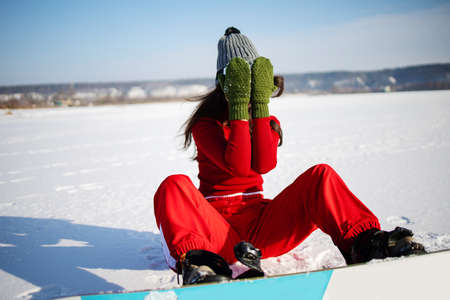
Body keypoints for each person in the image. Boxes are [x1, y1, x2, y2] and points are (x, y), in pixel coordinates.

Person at [153, 27, 425, 285]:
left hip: (262, 228)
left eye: (252, 81)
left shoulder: (266, 120)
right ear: (225, 83)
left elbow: (263, 164)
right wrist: (237, 106)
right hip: (214, 233)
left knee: (321, 176)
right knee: (173, 185)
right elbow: (236, 167)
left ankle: (365, 244)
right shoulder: (206, 125)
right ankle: (200, 266)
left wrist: (259, 108)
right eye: (239, 81)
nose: (246, 88)